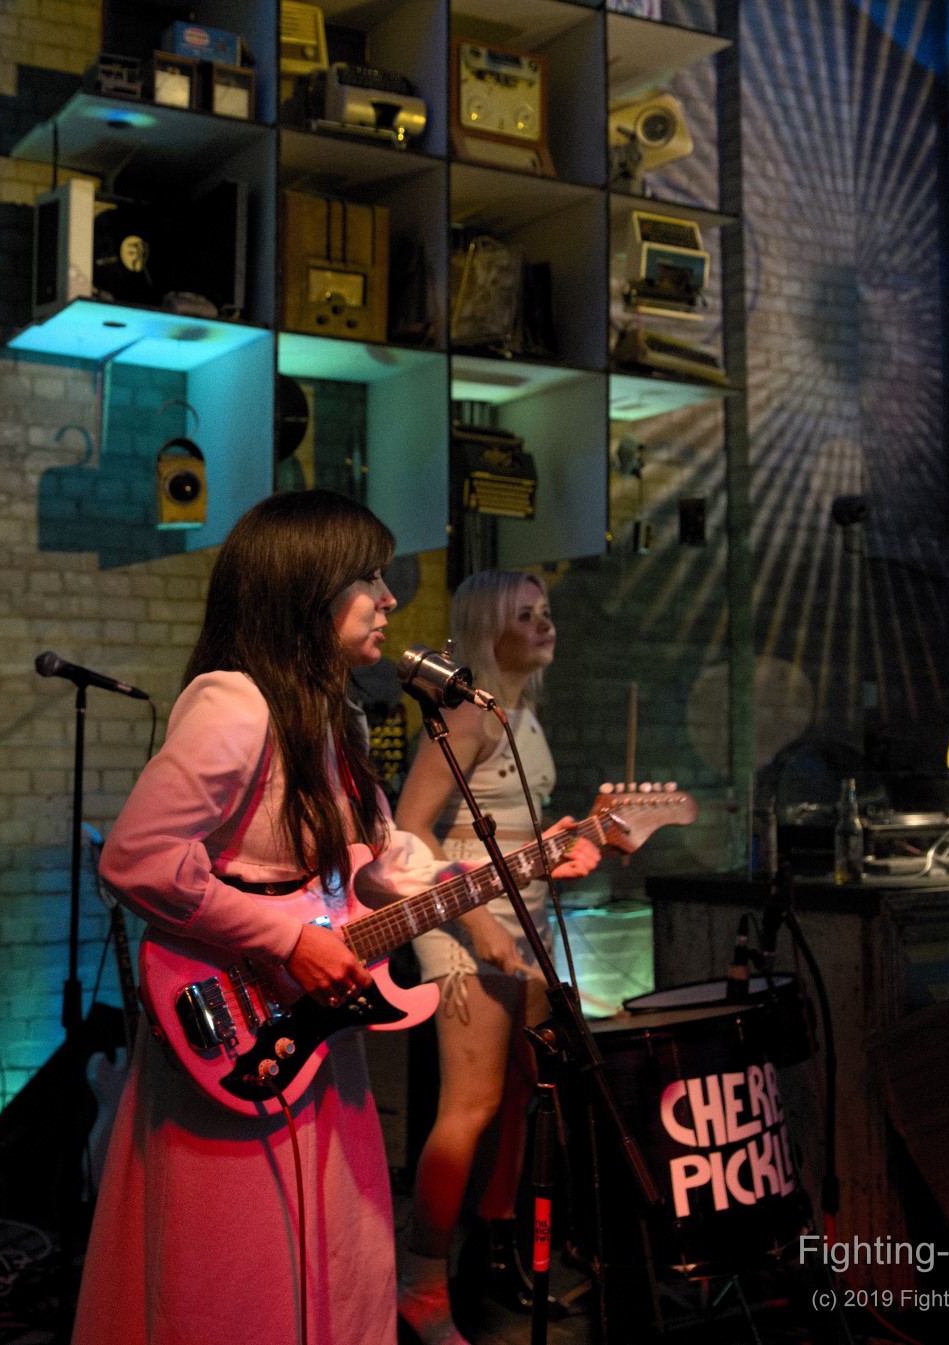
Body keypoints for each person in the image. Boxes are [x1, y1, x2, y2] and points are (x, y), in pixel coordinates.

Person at [72, 493, 597, 1345]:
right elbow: (136, 857)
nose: (389, 599)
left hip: (316, 1038)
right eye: (368, 579)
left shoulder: (330, 714)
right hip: (239, 1025)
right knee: (239, 1272)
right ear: (306, 588)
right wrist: (287, 938)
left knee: (336, 1263)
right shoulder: (235, 704)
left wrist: (517, 863)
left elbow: (382, 865)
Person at [393, 569, 577, 1342]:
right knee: (468, 1105)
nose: (544, 625)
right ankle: (421, 1280)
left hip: (518, 914)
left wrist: (564, 845)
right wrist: (475, 922)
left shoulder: (518, 712)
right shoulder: (466, 714)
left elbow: (505, 827)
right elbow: (408, 827)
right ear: (486, 629)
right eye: (525, 615)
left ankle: (496, 1255)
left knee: (521, 1093)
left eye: (545, 612)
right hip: (464, 917)